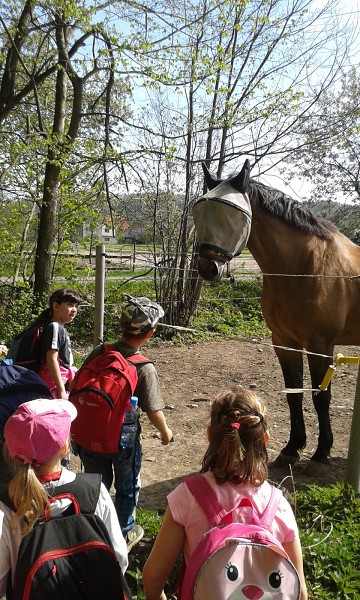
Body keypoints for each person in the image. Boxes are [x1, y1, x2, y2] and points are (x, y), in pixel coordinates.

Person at [142, 387, 308, 600]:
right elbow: (300, 590)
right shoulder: (279, 505)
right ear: (265, 439)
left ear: (209, 434)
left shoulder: (187, 496)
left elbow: (153, 577)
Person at [0, 398, 128, 597]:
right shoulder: (94, 491)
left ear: (11, 452)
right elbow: (119, 557)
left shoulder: (8, 505)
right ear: (65, 447)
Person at [74, 295, 173, 551]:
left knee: (97, 484)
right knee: (128, 486)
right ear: (150, 333)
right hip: (123, 442)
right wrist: (165, 432)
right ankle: (124, 531)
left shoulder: (100, 352)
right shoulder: (143, 367)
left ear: (120, 324)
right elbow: (153, 411)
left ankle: (93, 528)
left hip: (88, 436)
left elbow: (76, 385)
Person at [9, 288, 81, 399]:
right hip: (52, 388)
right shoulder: (54, 326)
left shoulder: (55, 327)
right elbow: (51, 359)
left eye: (76, 306)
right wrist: (61, 390)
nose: (74, 310)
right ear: (56, 306)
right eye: (70, 305)